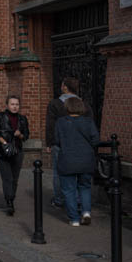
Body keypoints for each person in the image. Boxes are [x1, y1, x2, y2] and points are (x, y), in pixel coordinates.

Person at [54, 97, 100, 227]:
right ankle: (86, 212)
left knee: (69, 190)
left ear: (67, 107)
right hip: (86, 160)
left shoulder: (61, 122)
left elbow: (56, 140)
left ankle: (74, 219)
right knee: (85, 187)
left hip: (67, 160)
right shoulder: (88, 121)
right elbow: (96, 140)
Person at [0, 95, 30, 216]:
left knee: (15, 179)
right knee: (7, 177)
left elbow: (26, 135)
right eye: (12, 104)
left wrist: (20, 135)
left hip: (17, 151)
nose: (15, 107)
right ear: (7, 105)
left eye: (17, 104)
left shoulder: (22, 119)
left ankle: (11, 198)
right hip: (3, 152)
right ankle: (9, 202)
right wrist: (4, 142)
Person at [45, 77, 80, 209]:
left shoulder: (55, 104)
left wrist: (49, 143)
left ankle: (59, 199)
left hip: (59, 142)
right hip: (78, 143)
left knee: (58, 172)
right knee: (76, 171)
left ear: (65, 87)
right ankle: (76, 199)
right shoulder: (83, 104)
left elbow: (50, 125)